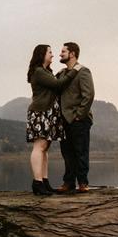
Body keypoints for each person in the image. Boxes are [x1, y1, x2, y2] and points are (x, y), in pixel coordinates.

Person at [25, 44, 76, 196]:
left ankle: (44, 181)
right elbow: (58, 85)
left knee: (44, 148)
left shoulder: (45, 71)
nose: (53, 55)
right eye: (50, 52)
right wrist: (73, 71)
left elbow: (54, 84)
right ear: (42, 55)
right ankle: (37, 183)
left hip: (48, 113)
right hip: (40, 113)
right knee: (39, 146)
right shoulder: (39, 71)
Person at [55, 41, 94, 193]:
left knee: (81, 152)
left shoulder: (84, 71)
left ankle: (83, 183)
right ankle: (68, 183)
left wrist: (79, 115)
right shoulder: (61, 74)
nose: (60, 54)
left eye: (63, 51)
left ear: (72, 54)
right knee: (67, 153)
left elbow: (88, 95)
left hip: (79, 120)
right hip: (63, 120)